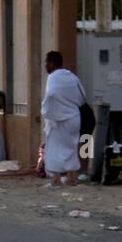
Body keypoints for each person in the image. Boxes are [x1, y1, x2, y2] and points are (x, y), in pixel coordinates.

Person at [41, 50, 85, 186]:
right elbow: (82, 96)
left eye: (46, 62)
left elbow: (51, 95)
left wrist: (47, 110)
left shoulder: (53, 78)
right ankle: (73, 178)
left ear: (52, 63)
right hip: (74, 118)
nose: (45, 66)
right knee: (71, 149)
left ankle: (56, 179)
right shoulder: (71, 77)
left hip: (59, 120)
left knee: (54, 149)